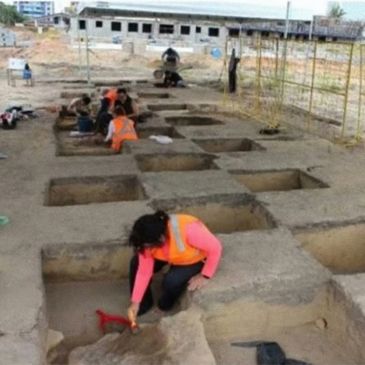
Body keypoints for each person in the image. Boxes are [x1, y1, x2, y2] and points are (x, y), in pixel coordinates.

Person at [127, 210, 222, 318]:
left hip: (194, 258)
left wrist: (205, 275)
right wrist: (136, 302)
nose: (146, 249)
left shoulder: (189, 231)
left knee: (171, 281)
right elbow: (144, 272)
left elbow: (216, 248)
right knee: (136, 263)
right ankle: (143, 305)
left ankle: (165, 305)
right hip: (170, 255)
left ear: (160, 238)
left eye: (148, 246)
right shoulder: (147, 241)